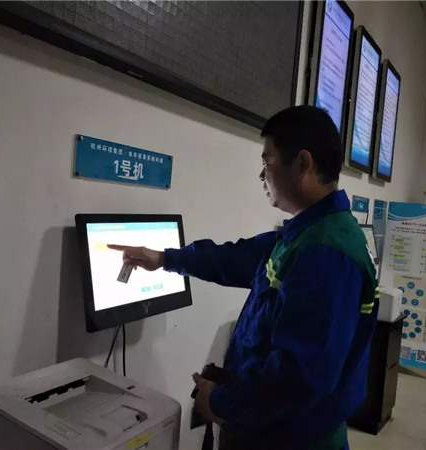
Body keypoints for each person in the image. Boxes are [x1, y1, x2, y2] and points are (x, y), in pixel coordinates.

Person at [109, 106, 378, 450]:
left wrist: (219, 402)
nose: (262, 175)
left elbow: (298, 379)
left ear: (303, 164)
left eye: (267, 162)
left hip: (290, 440)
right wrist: (164, 259)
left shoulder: (326, 253)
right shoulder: (306, 233)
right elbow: (236, 258)